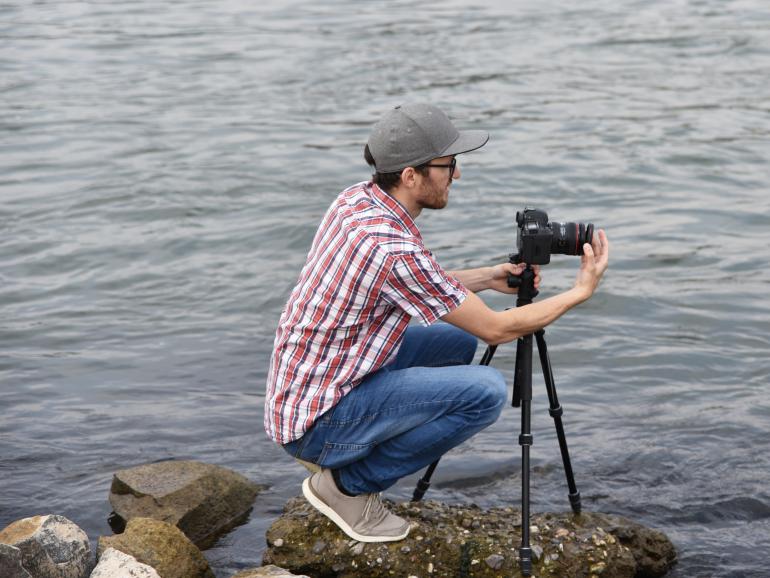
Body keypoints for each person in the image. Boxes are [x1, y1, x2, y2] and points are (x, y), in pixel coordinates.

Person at [264, 103, 609, 543]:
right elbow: (496, 330)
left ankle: (356, 450)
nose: (457, 176)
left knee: (452, 343)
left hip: (308, 389)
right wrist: (580, 292)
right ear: (411, 176)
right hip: (317, 421)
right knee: (483, 393)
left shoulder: (359, 201)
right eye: (449, 166)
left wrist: (487, 277)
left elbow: (411, 283)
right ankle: (346, 487)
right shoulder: (389, 246)